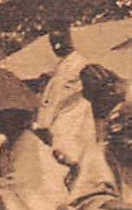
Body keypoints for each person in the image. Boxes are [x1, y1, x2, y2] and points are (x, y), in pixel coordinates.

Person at [34, 17, 94, 166]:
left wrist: (43, 125)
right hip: (62, 127)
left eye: (59, 40)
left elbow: (57, 98)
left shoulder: (76, 65)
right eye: (52, 43)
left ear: (69, 39)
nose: (56, 46)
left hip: (72, 126)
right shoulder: (61, 65)